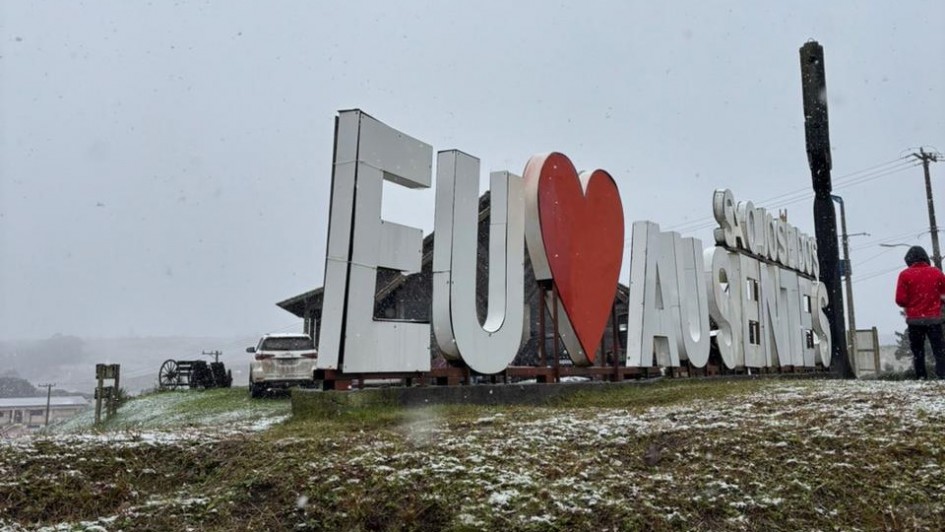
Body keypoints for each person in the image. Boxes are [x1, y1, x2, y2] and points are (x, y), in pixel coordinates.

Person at [895, 246, 945, 379]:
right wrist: (937, 303)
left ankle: (921, 376)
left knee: (918, 351)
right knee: (939, 350)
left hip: (915, 320)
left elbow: (900, 299)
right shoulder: (936, 273)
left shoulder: (905, 275)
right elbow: (944, 294)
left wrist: (911, 304)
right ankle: (942, 374)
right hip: (934, 319)